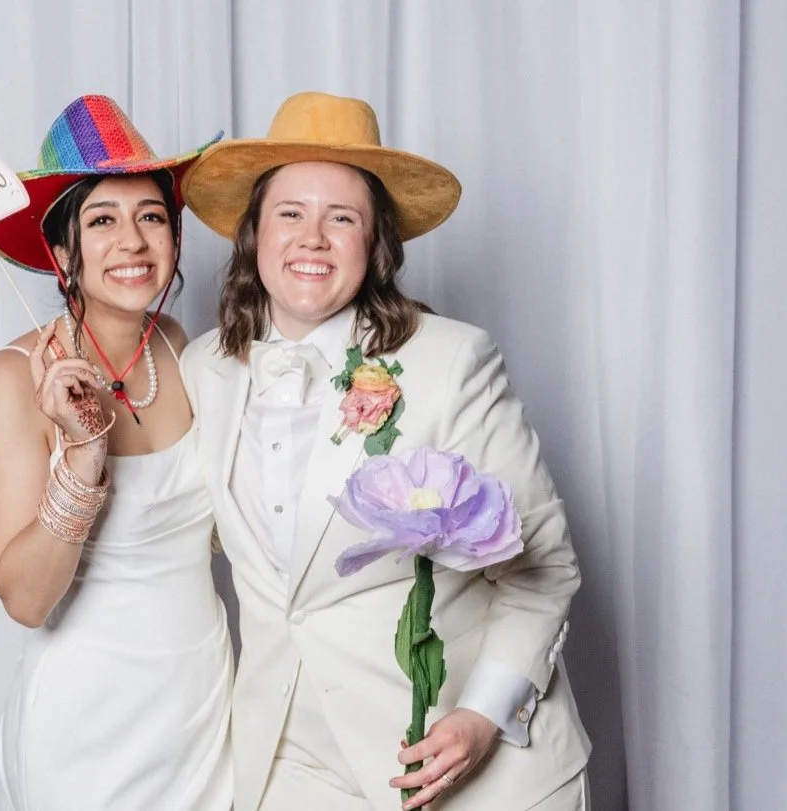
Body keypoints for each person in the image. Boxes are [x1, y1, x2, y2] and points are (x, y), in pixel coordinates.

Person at [178, 91, 591, 810]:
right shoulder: (205, 368)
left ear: (375, 248)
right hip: (290, 766)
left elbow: (543, 567)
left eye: (342, 218)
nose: (313, 237)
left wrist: (482, 717)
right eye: (290, 213)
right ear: (254, 234)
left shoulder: (453, 360)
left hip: (464, 771)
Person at [0, 95, 232, 810]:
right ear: (61, 251)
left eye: (151, 216)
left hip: (207, 711)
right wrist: (84, 458)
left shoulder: (184, 348)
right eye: (102, 220)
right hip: (86, 729)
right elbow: (25, 598)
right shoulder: (9, 380)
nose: (133, 241)